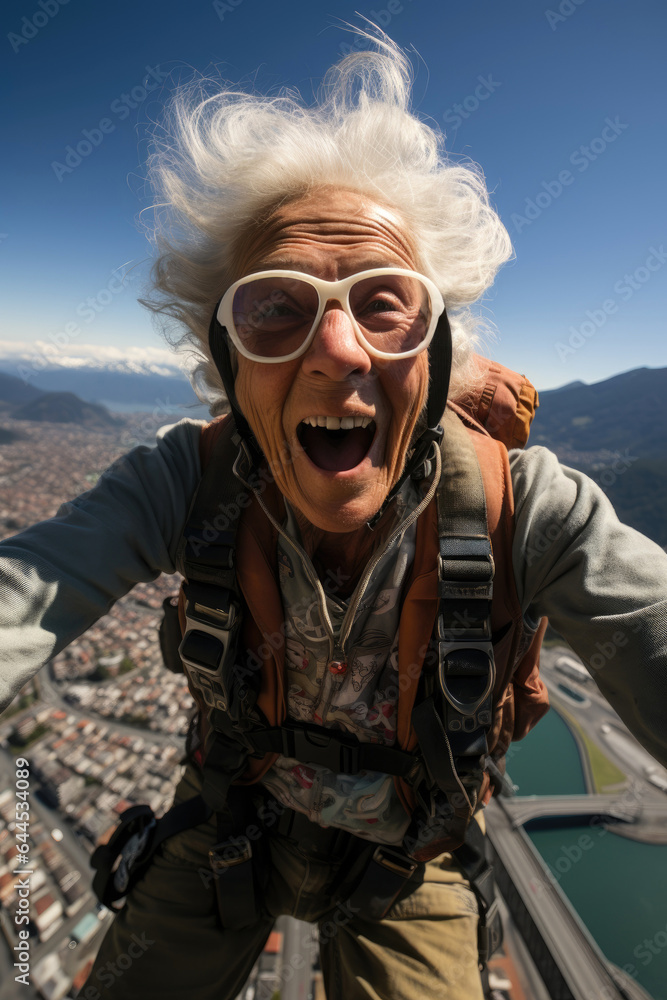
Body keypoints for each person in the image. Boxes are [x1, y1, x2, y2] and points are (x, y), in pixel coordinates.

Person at [1, 31, 666, 1000]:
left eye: (382, 301)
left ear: (437, 352)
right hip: (231, 815)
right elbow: (23, 591)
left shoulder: (527, 505)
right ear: (227, 363)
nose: (337, 348)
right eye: (277, 306)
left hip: (414, 853)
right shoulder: (185, 478)